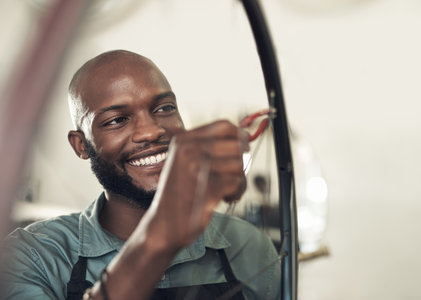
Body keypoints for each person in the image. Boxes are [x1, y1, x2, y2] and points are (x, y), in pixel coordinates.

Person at [2, 50, 281, 299]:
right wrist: (160, 236)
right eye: (117, 120)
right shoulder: (32, 257)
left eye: (164, 108)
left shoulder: (248, 245)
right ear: (81, 145)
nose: (151, 131)